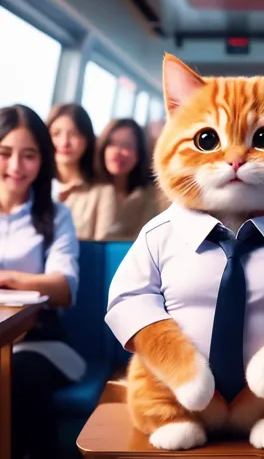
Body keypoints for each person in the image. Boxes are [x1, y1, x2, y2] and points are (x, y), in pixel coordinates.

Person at [0, 104, 85, 459]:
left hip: (42, 342)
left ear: (42, 160)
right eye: (4, 154)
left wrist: (7, 278)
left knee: (17, 375)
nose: (16, 167)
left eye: (29, 155)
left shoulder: (55, 216)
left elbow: (63, 288)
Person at [46, 103, 117, 240]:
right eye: (56, 134)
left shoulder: (103, 192)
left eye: (74, 134)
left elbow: (100, 249)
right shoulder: (32, 184)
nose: (64, 142)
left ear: (87, 140)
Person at [94, 118, 161, 239]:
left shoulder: (151, 198)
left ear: (139, 153)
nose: (117, 152)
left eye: (126, 145)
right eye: (111, 144)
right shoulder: (91, 192)